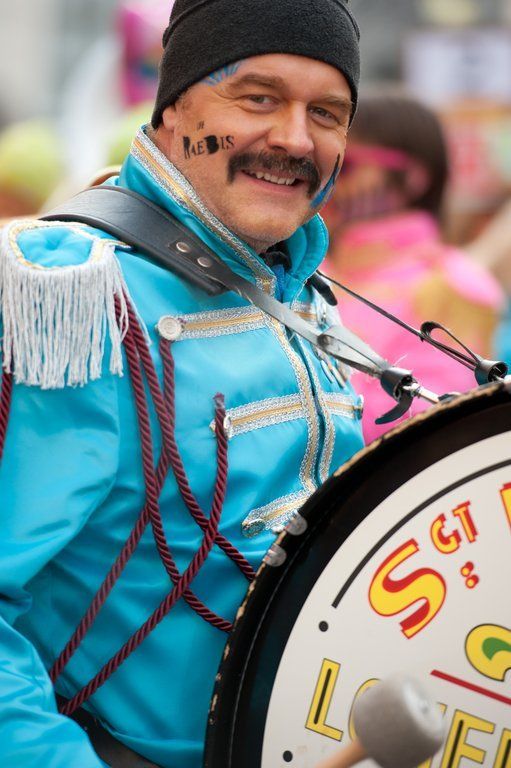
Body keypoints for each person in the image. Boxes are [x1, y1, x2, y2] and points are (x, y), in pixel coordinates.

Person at [0, 1, 364, 766]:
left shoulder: (307, 298)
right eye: (257, 98)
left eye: (326, 113)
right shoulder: (71, 296)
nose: (295, 139)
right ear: (171, 109)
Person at [322, 92, 504, 443]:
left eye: (347, 165)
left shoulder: (453, 283)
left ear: (412, 178)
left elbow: (434, 417)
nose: (328, 178)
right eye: (324, 160)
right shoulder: (305, 269)